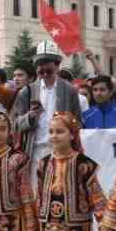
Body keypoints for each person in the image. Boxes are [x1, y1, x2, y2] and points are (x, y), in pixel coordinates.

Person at [12, 41, 83, 180]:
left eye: (48, 69)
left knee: (60, 192)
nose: (44, 72)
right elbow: (15, 124)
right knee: (37, 196)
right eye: (40, 68)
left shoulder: (69, 90)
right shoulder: (27, 91)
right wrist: (30, 117)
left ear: (57, 66)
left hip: (63, 151)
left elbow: (78, 122)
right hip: (36, 150)